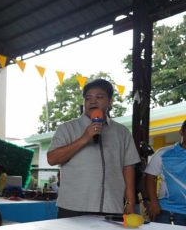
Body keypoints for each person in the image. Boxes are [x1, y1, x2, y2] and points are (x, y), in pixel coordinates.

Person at [47, 78, 140, 218]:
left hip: (111, 205)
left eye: (99, 97)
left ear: (110, 101)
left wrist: (130, 202)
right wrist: (85, 138)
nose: (93, 101)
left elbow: (128, 168)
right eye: (88, 98)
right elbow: (52, 159)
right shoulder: (67, 128)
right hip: (73, 206)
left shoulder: (122, 132)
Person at [144, 120, 186, 225]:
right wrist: (153, 202)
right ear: (181, 132)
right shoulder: (163, 153)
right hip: (168, 212)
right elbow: (149, 177)